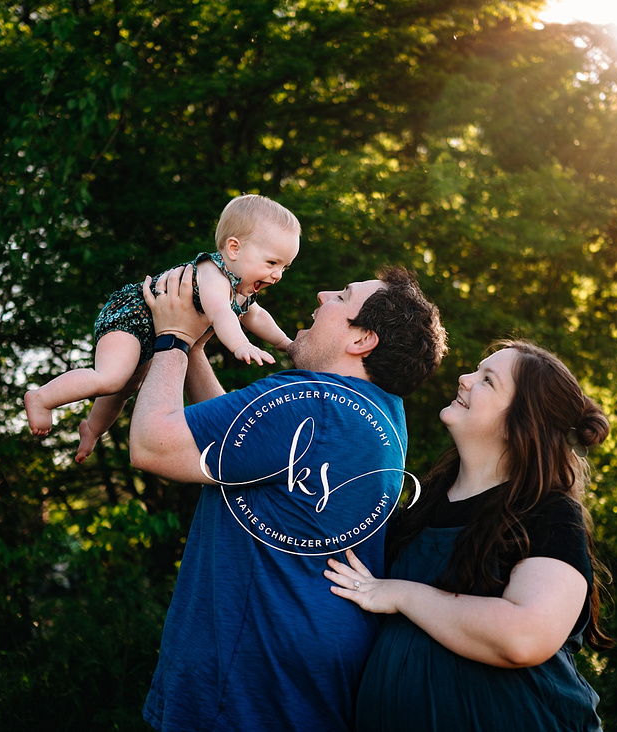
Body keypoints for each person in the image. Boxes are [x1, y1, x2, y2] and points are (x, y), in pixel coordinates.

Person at [128, 263, 447, 731]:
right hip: (305, 674)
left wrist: (172, 337)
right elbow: (235, 451)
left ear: (361, 341)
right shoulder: (378, 415)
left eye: (341, 296)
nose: (322, 294)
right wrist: (196, 344)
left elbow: (152, 445)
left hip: (248, 685)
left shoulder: (306, 400)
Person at [325, 339, 611, 731]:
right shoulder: (417, 507)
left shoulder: (549, 513)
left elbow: (525, 636)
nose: (463, 378)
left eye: (487, 380)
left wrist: (403, 594)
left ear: (520, 424)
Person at [24, 194, 300, 463]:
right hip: (130, 318)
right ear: (234, 249)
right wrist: (241, 345)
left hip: (153, 333)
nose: (277, 275)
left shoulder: (240, 289)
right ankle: (41, 398)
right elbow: (220, 313)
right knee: (110, 378)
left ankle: (92, 429)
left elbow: (257, 316)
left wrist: (285, 343)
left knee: (126, 386)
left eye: (285, 267)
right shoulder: (213, 274)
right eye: (271, 263)